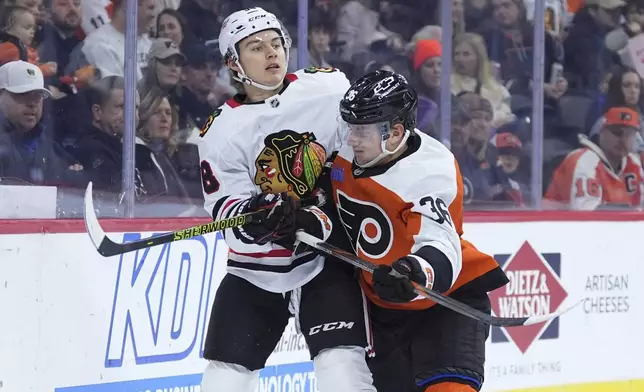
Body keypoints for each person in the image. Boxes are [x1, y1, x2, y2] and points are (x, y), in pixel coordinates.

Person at [197, 7, 375, 392]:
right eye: (257, 47)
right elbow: (224, 207)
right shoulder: (220, 130)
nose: (271, 53)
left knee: (341, 369)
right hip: (257, 269)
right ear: (234, 63)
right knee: (224, 379)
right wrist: (253, 218)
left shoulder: (326, 90)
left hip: (325, 256)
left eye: (276, 43)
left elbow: (357, 162)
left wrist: (319, 211)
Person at [330, 70, 509, 392]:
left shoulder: (429, 171)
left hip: (446, 301)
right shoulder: (345, 151)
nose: (351, 138)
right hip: (382, 310)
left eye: (362, 130)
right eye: (350, 127)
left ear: (395, 132)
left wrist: (413, 270)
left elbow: (439, 241)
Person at [545, 107, 644, 210]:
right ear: (602, 132)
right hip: (557, 224)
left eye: (629, 134)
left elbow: (640, 208)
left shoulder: (633, 163)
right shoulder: (583, 161)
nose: (623, 139)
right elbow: (588, 216)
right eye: (617, 132)